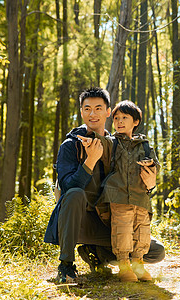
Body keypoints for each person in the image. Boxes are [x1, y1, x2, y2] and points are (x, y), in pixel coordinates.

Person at [44, 87, 165, 283]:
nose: (93, 114)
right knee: (75, 194)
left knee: (156, 252)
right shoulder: (71, 144)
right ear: (81, 111)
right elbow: (68, 190)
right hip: (79, 221)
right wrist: (89, 162)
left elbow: (130, 183)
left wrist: (150, 185)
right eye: (87, 108)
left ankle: (98, 254)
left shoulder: (119, 145)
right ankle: (66, 265)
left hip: (111, 221)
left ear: (108, 112)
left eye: (98, 108)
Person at [77, 100, 160, 282]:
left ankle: (138, 266)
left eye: (124, 117)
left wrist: (152, 166)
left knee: (142, 232)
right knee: (122, 231)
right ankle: (124, 266)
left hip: (141, 198)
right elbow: (100, 143)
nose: (119, 121)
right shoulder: (112, 143)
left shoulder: (145, 145)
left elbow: (155, 166)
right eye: (116, 118)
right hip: (118, 195)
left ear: (135, 122)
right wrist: (88, 139)